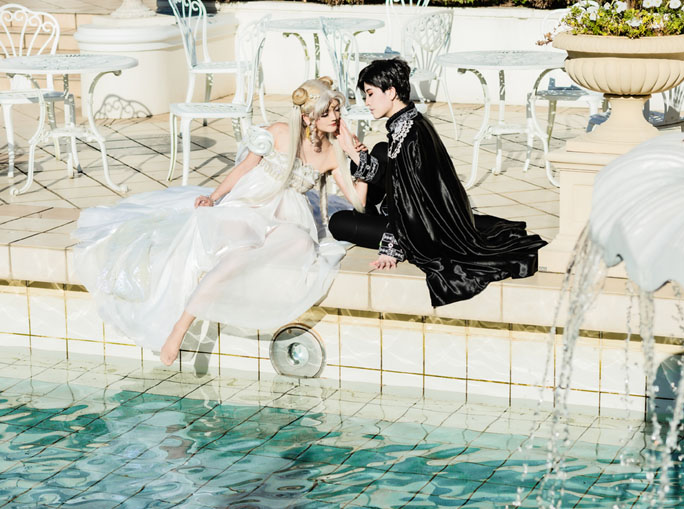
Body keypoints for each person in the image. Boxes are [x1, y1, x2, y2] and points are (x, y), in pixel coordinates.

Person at [74, 78, 367, 366]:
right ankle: (180, 327)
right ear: (306, 117)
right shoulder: (279, 132)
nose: (335, 117)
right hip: (250, 204)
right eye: (326, 112)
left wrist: (356, 156)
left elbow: (359, 202)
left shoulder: (332, 153)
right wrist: (213, 197)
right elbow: (244, 168)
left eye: (336, 110)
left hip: (289, 216)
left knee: (299, 246)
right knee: (235, 258)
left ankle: (230, 304)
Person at [330, 58, 548, 308]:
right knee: (380, 149)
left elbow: (408, 202)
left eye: (370, 94)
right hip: (416, 217)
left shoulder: (410, 136)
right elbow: (404, 184)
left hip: (420, 231)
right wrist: (358, 156)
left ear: (390, 92)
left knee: (339, 223)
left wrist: (391, 247)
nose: (366, 102)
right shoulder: (411, 122)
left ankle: (373, 216)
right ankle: (372, 210)